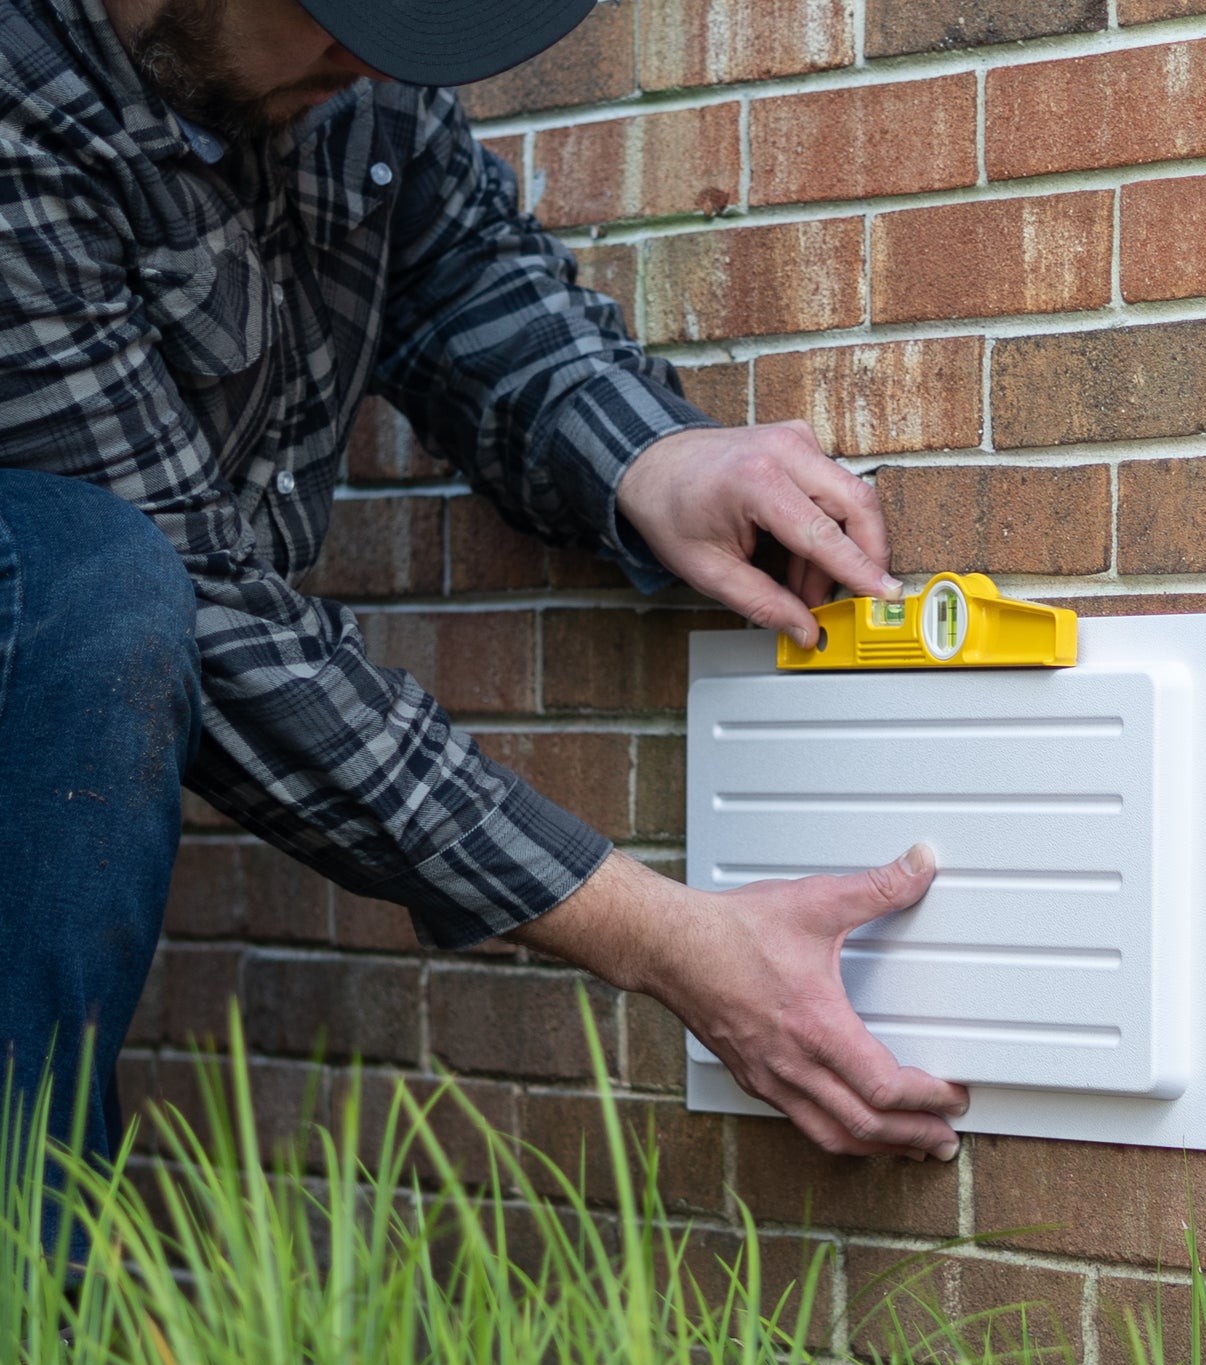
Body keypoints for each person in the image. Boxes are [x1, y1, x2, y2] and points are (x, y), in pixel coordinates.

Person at [0, 0, 968, 1248]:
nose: (369, 68)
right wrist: (662, 937)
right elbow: (211, 618)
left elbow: (462, 278)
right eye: (336, 22)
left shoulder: (356, 79)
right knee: (99, 582)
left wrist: (654, 458)